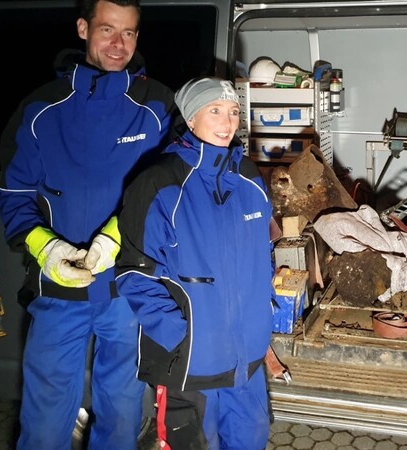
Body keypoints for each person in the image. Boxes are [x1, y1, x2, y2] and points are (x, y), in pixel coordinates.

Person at [0, 0, 175, 447]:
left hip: (128, 290)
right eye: (107, 30)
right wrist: (45, 247)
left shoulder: (157, 105)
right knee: (46, 418)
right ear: (81, 28)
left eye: (129, 33)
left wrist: (118, 235)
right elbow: (12, 192)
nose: (118, 45)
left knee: (123, 415)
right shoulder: (39, 109)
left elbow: (172, 187)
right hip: (58, 293)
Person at [115, 77, 275, 449]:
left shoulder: (249, 177)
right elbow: (135, 273)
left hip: (245, 360)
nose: (227, 122)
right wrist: (180, 336)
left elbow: (261, 256)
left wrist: (260, 321)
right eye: (214, 111)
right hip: (191, 364)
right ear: (190, 119)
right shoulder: (159, 183)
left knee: (251, 438)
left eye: (234, 112)